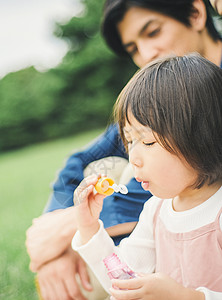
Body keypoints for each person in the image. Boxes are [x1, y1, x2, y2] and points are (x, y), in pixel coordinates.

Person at [26, 0, 222, 299]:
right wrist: (82, 227)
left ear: (197, 13)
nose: (145, 55)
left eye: (153, 32)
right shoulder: (157, 208)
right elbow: (123, 275)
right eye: (132, 48)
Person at [72, 53, 222, 300]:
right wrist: (88, 228)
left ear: (202, 135)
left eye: (148, 141)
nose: (134, 157)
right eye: (130, 141)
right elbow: (124, 282)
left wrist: (187, 297)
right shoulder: (155, 211)